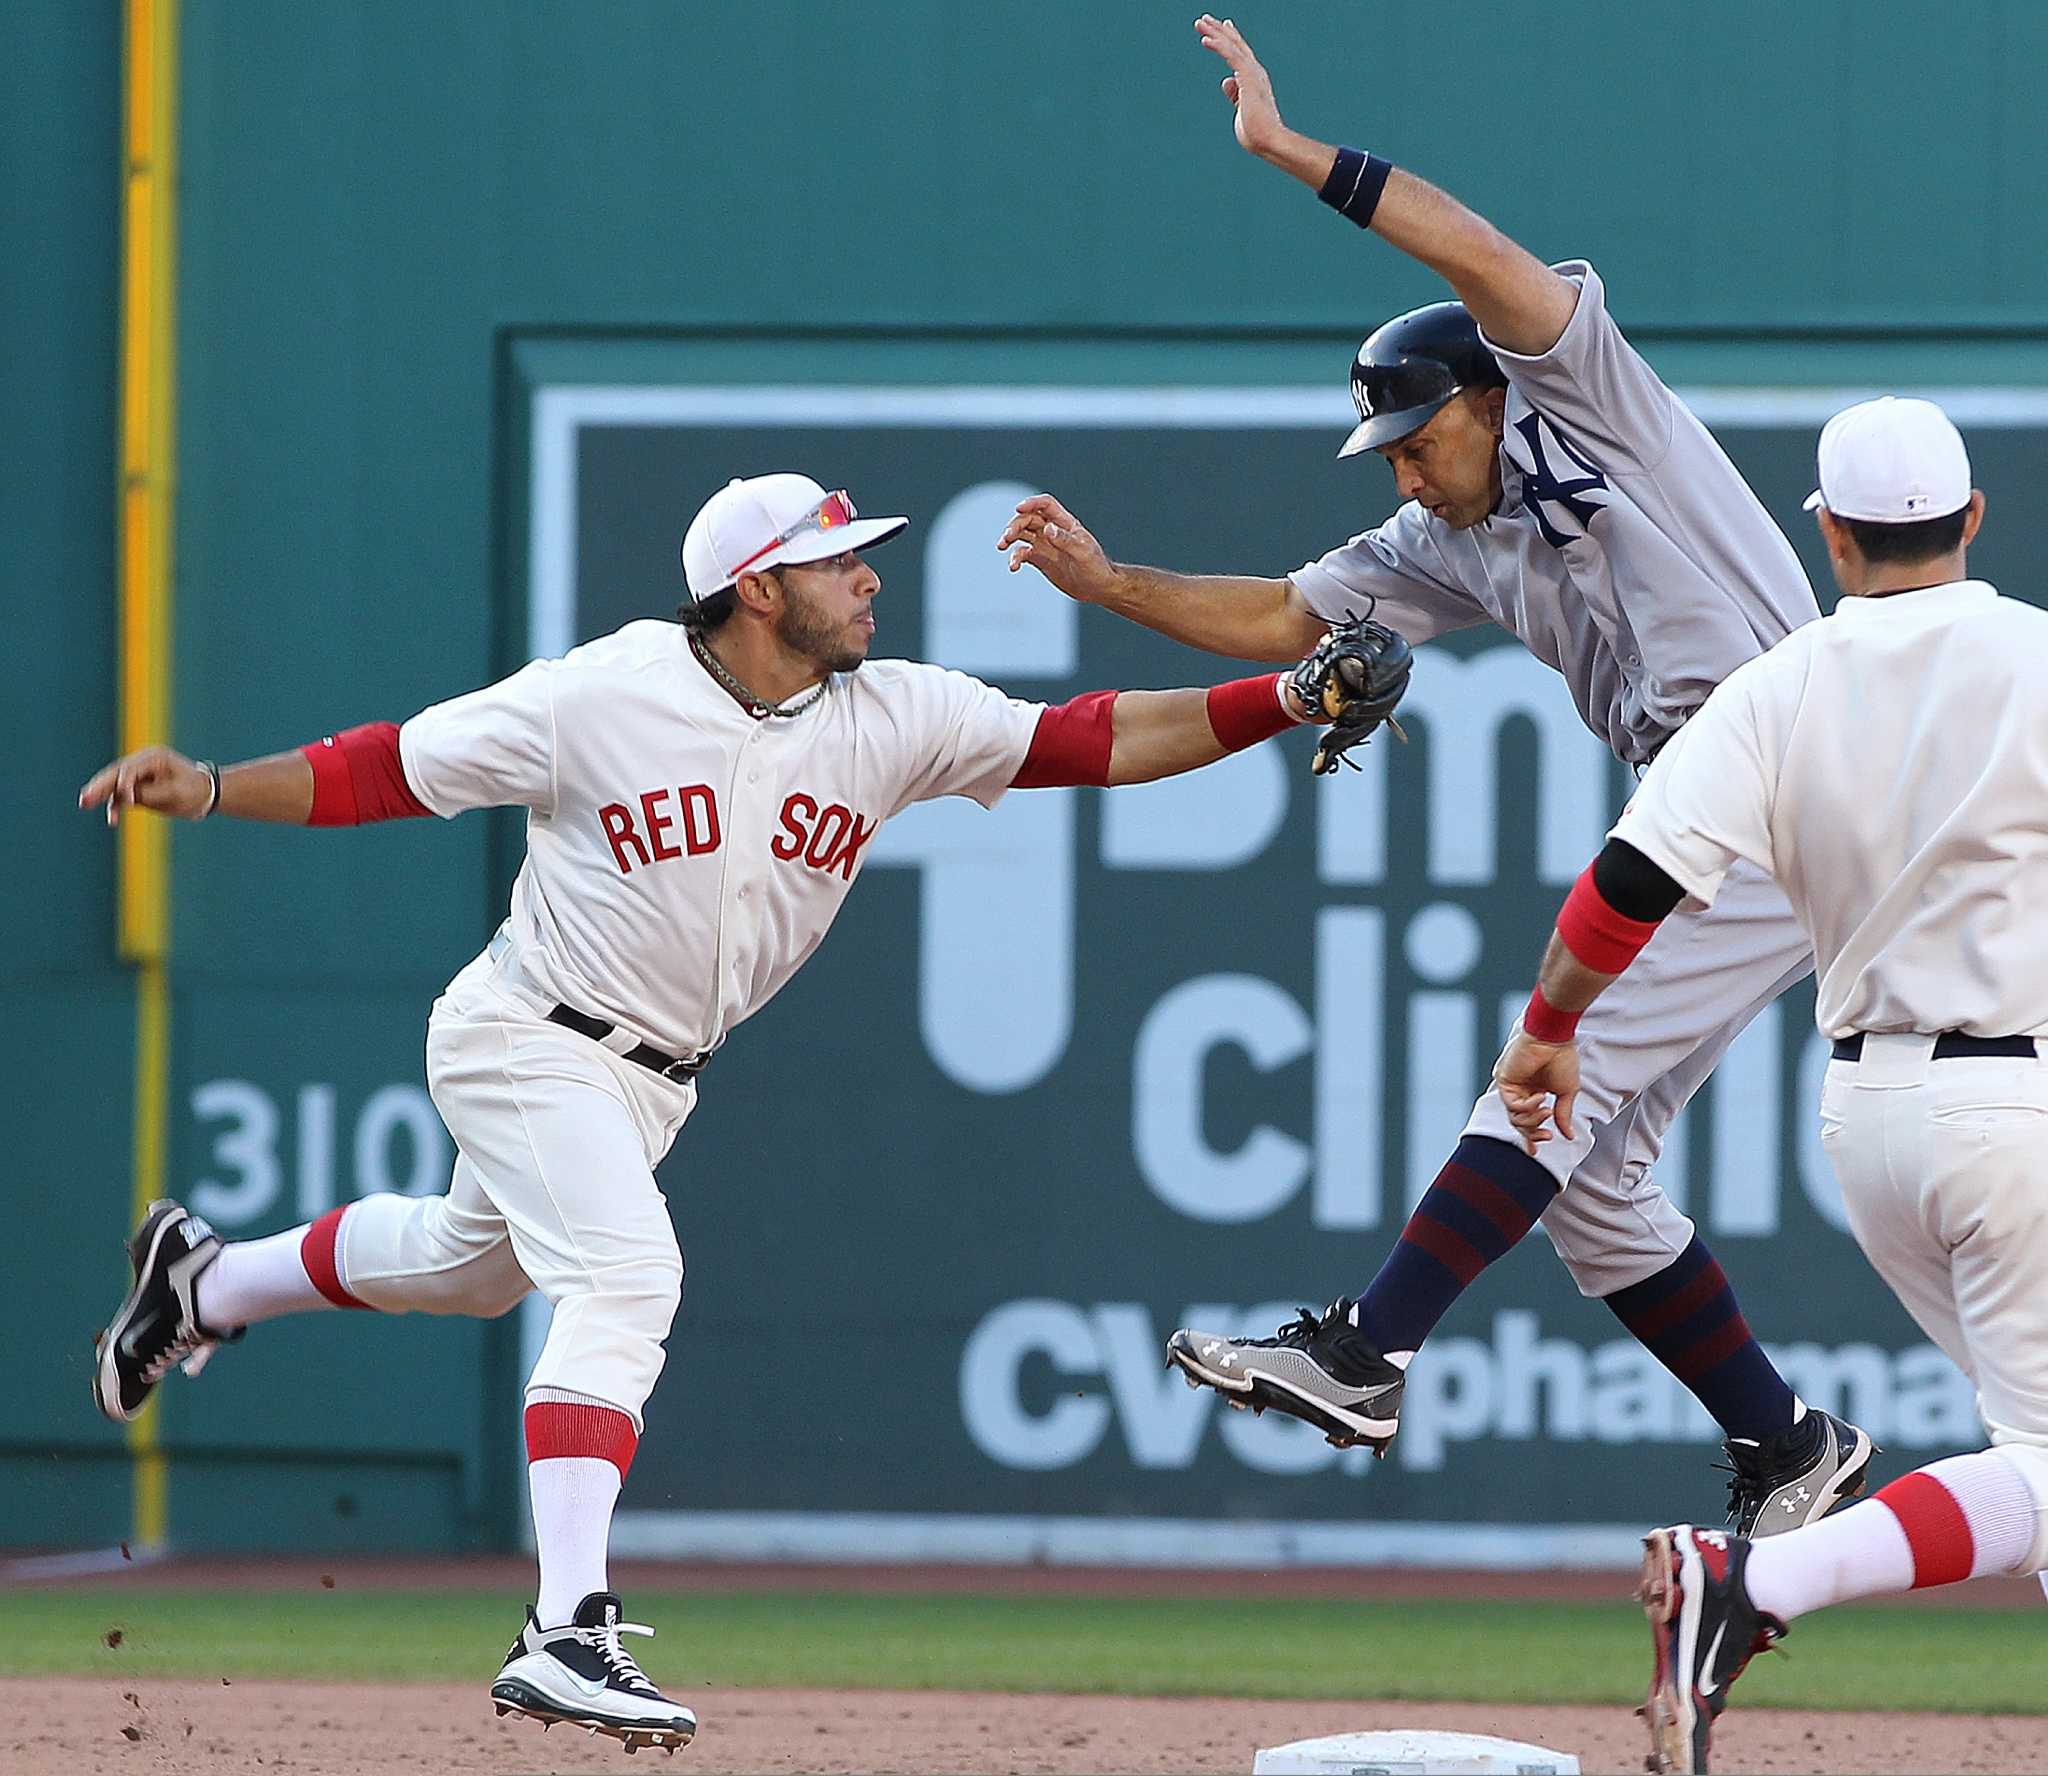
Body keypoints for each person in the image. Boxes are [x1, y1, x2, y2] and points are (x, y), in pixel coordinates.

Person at [83, 472, 1381, 1753]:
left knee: (468, 1269)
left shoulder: (892, 716)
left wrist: (1284, 696)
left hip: (650, 1085)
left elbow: (1094, 740)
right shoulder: (602, 696)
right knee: (629, 1275)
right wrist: (206, 785)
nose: (870, 576)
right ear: (756, 589)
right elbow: (386, 771)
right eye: (837, 561)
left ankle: (205, 1282)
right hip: (526, 1037)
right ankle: (564, 1629)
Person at [997, 14, 1871, 1532]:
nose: (1403, 465)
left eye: (1417, 434)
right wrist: (1108, 582)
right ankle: (1788, 1444)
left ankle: (1369, 1346)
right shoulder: (1442, 539)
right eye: (1388, 448)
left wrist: (1288, 152)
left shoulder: (1586, 399)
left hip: (1774, 766)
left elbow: (1465, 244)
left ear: (1486, 398)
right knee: (1591, 1192)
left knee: (1549, 1066)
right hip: (1701, 801)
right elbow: (1283, 614)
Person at [1493, 397, 2048, 1774]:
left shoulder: (1782, 681)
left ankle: (1752, 1588)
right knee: (2043, 1458)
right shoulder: (2036, 657)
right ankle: (1753, 1584)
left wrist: (1550, 1025)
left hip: (1870, 1127)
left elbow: (1629, 883)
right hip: (2018, 1107)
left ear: (1829, 534)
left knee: (2041, 1456)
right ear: (1972, 519)